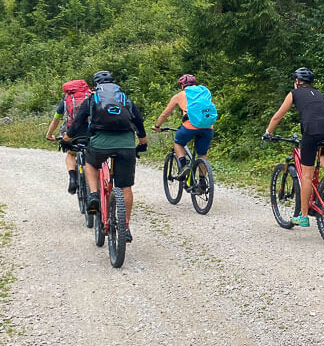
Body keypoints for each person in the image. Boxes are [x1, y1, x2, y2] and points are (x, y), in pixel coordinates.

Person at [64, 71, 148, 242]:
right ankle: (125, 227)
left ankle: (94, 195)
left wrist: (66, 139)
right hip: (126, 144)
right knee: (125, 187)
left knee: (91, 164)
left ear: (95, 85)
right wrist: (143, 143)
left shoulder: (93, 98)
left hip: (100, 142)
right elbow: (138, 121)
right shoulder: (124, 98)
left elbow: (78, 121)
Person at [263, 67, 324, 227]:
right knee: (322, 153)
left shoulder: (294, 94)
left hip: (311, 132)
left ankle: (303, 216)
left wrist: (268, 132)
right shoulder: (318, 94)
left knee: (307, 176)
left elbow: (278, 116)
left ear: (297, 82)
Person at [152, 74, 214, 191]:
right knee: (202, 153)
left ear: (182, 85)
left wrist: (157, 126)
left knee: (178, 142)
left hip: (190, 126)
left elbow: (165, 114)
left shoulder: (180, 95)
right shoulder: (204, 92)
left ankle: (183, 164)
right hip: (207, 126)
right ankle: (202, 182)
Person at [45, 79, 91, 193]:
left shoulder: (66, 99)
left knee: (71, 154)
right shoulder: (91, 96)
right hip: (91, 131)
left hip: (73, 133)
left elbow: (56, 119)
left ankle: (72, 178)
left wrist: (49, 134)